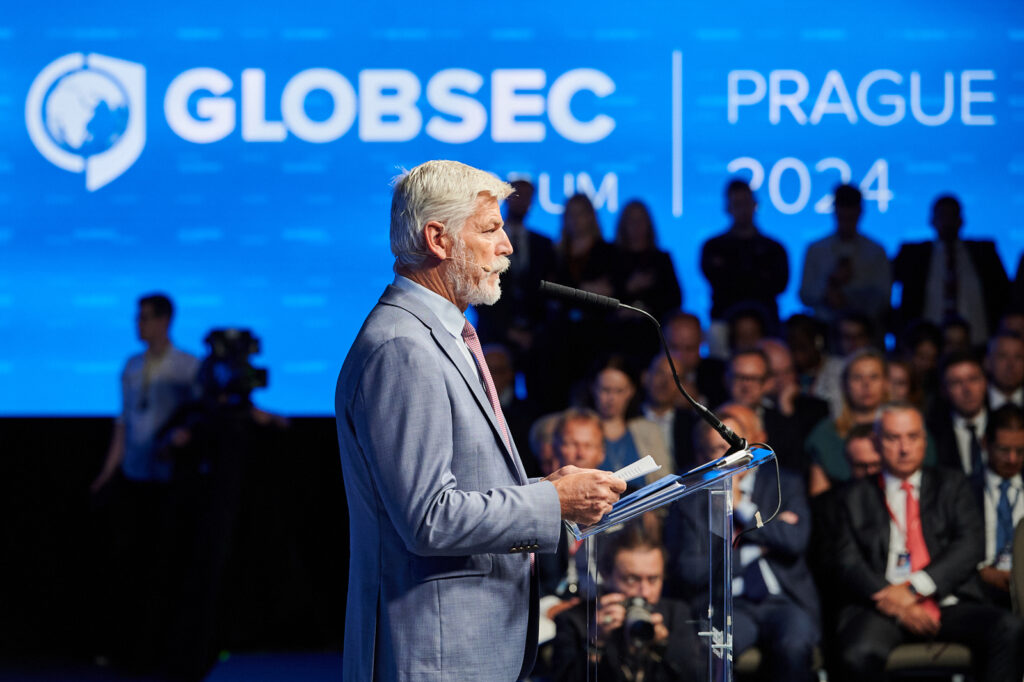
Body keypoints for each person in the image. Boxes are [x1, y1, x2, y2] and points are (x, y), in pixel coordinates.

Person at [334, 160, 627, 681]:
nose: (508, 245)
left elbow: (463, 485)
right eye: (491, 229)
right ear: (438, 238)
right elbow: (428, 518)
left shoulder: (442, 335)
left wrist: (547, 488)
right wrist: (551, 501)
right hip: (435, 654)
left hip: (467, 647)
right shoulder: (404, 347)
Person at [831, 403, 1024, 682]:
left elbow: (970, 544)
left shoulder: (953, 484)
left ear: (925, 439)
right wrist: (898, 604)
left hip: (947, 599)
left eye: (912, 437)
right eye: (893, 438)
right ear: (876, 442)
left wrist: (913, 588)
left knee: (1008, 628)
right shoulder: (852, 496)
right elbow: (847, 561)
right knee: (858, 652)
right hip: (882, 605)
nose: (904, 448)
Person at [665, 404, 820, 681]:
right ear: (703, 455)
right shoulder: (690, 500)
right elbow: (691, 570)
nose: (729, 456)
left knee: (795, 645)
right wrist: (752, 552)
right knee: (717, 653)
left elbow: (795, 541)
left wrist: (742, 508)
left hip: (783, 599)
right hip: (727, 603)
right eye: (716, 448)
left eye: (735, 445)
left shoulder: (785, 484)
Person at [90, 293, 200, 672]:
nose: (139, 325)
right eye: (138, 318)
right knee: (129, 563)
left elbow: (201, 418)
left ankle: (161, 650)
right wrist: (107, 473)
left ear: (166, 320)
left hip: (169, 482)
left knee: (164, 564)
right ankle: (127, 648)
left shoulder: (187, 366)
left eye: (146, 318)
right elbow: (123, 423)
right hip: (134, 476)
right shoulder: (132, 365)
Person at [551, 527, 704, 682]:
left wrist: (664, 646)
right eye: (631, 579)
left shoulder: (675, 615)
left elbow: (697, 676)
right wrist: (595, 644)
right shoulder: (575, 620)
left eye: (653, 579)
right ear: (606, 574)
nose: (644, 592)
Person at [892, 194, 1010, 345]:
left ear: (961, 220)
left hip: (978, 340)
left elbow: (1004, 294)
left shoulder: (984, 252)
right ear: (932, 221)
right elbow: (887, 287)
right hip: (926, 344)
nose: (947, 222)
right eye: (942, 216)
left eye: (952, 215)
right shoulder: (913, 254)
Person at [701, 179, 789, 356]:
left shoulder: (774, 248)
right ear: (728, 208)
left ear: (755, 204)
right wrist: (757, 277)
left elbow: (779, 285)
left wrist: (734, 276)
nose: (742, 210)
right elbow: (719, 282)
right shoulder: (713, 247)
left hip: (767, 321)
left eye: (746, 203)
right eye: (737, 204)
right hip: (724, 321)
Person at [799, 184, 890, 331]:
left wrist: (849, 298)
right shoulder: (816, 249)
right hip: (824, 328)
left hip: (865, 331)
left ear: (860, 212)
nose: (846, 221)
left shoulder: (876, 252)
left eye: (851, 216)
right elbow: (805, 293)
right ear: (834, 211)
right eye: (842, 215)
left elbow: (883, 298)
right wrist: (828, 290)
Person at [611, 200, 683, 362]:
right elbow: (601, 295)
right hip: (616, 335)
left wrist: (644, 309)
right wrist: (628, 288)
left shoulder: (661, 259)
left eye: (641, 220)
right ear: (623, 225)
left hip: (652, 335)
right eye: (631, 220)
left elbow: (675, 298)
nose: (636, 226)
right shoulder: (610, 257)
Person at [590, 357, 672, 485]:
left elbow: (664, 481)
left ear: (630, 392)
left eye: (619, 391)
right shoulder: (579, 430)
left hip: (646, 505)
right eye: (605, 390)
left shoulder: (649, 431)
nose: (611, 398)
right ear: (594, 388)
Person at [974, 405, 1024, 609]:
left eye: (1020, 451)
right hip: (980, 590)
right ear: (985, 443)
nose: (1012, 459)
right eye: (1004, 450)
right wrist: (981, 572)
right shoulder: (964, 490)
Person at [928, 351, 990, 477]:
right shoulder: (934, 433)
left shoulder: (1006, 426)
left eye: (973, 379)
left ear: (985, 382)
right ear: (944, 390)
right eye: (956, 382)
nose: (967, 389)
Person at [986, 331, 1024, 410]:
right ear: (988, 362)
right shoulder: (974, 404)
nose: (1011, 364)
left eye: (1018, 357)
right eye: (1002, 356)